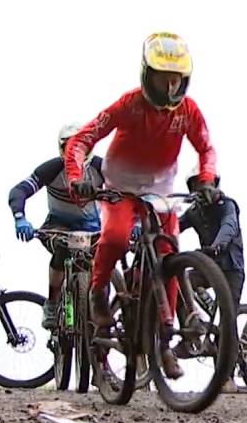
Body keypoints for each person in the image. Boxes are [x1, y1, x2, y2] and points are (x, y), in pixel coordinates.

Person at [62, 33, 220, 380]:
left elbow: (207, 149)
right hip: (121, 185)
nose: (170, 86)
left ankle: (163, 339)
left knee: (169, 254)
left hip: (162, 188)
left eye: (176, 78)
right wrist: (77, 177)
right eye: (163, 77)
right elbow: (82, 139)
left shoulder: (189, 111)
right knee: (116, 237)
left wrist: (207, 179)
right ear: (147, 75)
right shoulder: (128, 104)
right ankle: (98, 291)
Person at [8, 122, 106, 328]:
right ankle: (52, 303)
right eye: (68, 148)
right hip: (58, 226)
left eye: (80, 147)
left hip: (93, 228)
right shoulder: (52, 169)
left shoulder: (100, 168)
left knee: (106, 262)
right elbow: (19, 191)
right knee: (61, 250)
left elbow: (126, 191)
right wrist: (20, 218)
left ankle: (100, 312)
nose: (75, 153)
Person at [178, 172, 244, 306]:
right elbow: (174, 227)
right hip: (208, 265)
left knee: (228, 316)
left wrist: (217, 245)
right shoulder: (194, 211)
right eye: (197, 184)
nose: (201, 188)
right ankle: (195, 321)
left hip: (231, 267)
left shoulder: (227, 205)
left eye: (205, 182)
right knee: (179, 284)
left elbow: (229, 225)